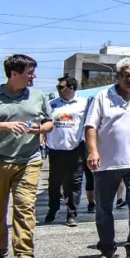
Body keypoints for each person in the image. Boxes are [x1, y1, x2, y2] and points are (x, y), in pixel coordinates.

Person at [84, 57, 130, 258]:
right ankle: (107, 247)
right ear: (117, 76)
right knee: (104, 207)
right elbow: (90, 126)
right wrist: (93, 151)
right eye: (126, 76)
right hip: (106, 162)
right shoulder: (102, 96)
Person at [0, 54, 53, 258]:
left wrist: (42, 129)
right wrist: (4, 125)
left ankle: (24, 256)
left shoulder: (38, 96)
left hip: (29, 160)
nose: (34, 76)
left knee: (25, 207)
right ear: (13, 74)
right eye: (30, 73)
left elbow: (49, 122)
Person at [45, 75, 88, 228]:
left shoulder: (84, 103)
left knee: (74, 182)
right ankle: (53, 208)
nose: (58, 89)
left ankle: (72, 213)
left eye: (60, 87)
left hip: (76, 148)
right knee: (54, 182)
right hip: (56, 149)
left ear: (71, 87)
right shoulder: (52, 104)